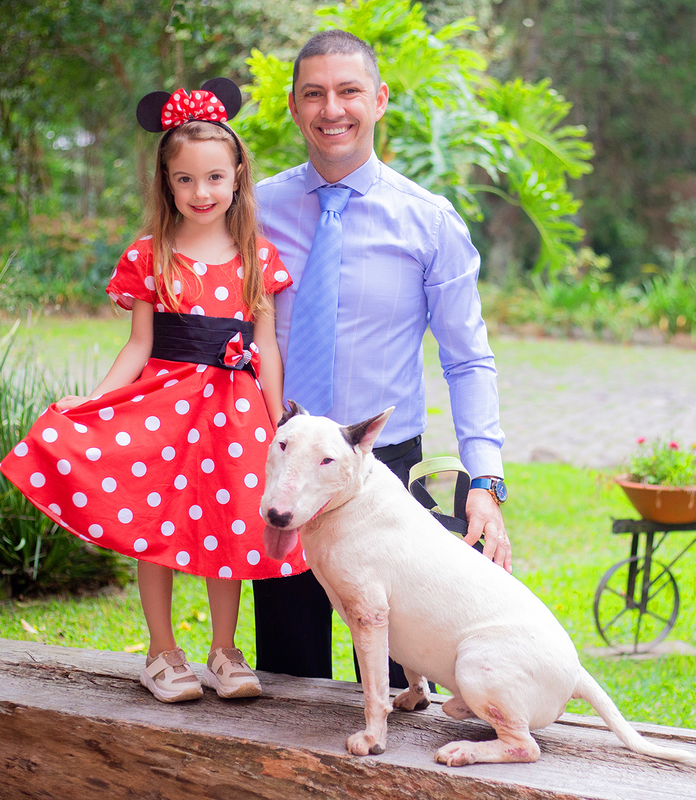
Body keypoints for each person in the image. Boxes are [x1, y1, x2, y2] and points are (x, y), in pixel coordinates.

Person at [0, 78, 307, 704]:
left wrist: (281, 423)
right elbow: (139, 345)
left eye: (215, 178)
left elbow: (266, 346)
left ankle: (224, 650)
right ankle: (162, 652)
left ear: (238, 177)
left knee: (230, 526)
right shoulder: (150, 255)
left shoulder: (257, 257)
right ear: (167, 182)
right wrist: (91, 402)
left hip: (236, 414)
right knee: (156, 523)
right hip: (162, 407)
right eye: (186, 179)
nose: (202, 192)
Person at [253, 31, 512, 686]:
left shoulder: (430, 221)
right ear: (293, 106)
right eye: (314, 93)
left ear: (379, 99)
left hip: (386, 470)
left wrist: (484, 481)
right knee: (288, 674)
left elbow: (467, 359)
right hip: (285, 464)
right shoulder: (254, 210)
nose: (331, 109)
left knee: (408, 680)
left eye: (348, 91)